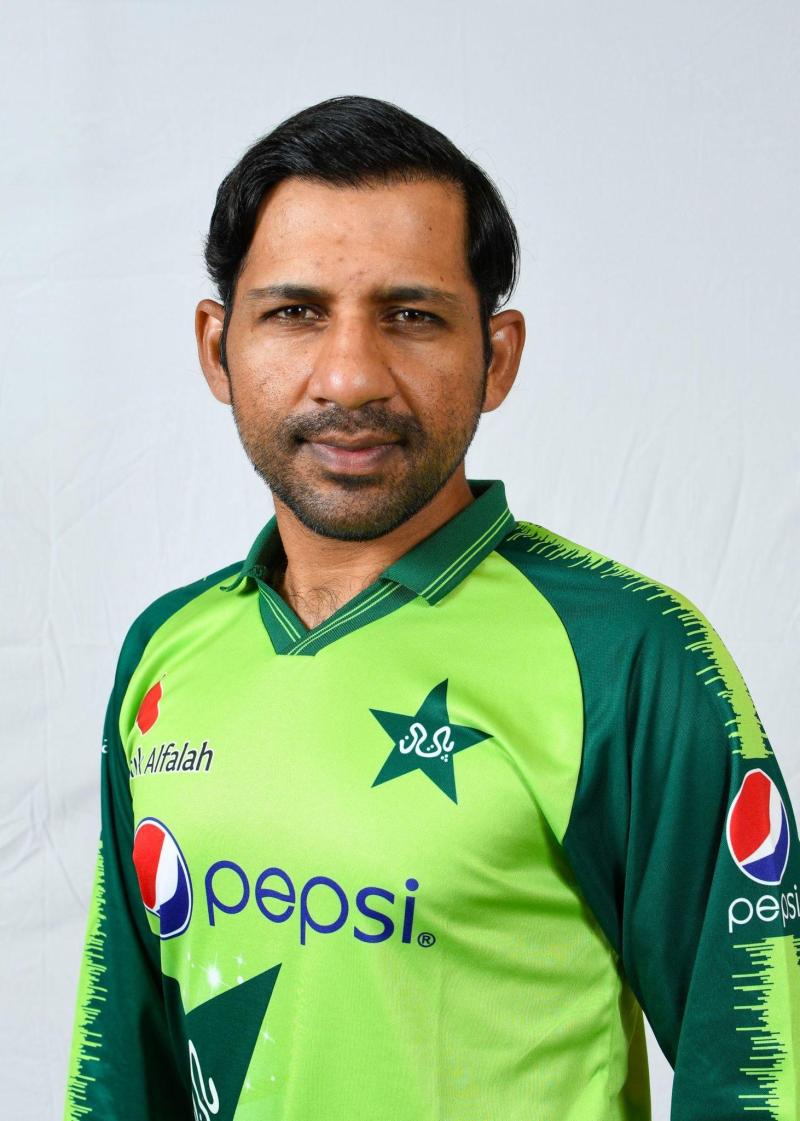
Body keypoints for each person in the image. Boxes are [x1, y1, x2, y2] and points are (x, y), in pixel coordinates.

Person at [64, 95, 800, 1121]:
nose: (350, 375)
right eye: (295, 311)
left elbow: (760, 1070)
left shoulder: (630, 653)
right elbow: (120, 1067)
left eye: (411, 315)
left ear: (497, 355)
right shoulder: (167, 648)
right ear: (215, 346)